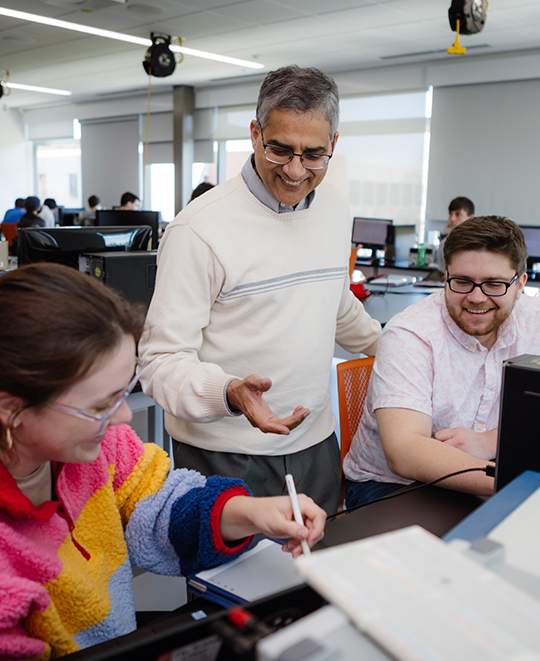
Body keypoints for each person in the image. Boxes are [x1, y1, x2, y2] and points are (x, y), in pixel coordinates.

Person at [0, 263, 326, 660]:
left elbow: (160, 503)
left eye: (125, 393)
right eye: (101, 405)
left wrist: (250, 512)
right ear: (10, 409)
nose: (123, 418)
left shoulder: (102, 447)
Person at [139, 65, 381, 515]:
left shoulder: (335, 208)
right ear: (254, 133)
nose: (295, 170)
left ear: (334, 145)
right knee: (230, 585)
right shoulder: (199, 228)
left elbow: (332, 301)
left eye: (313, 155)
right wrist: (229, 392)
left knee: (316, 578)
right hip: (223, 454)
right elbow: (159, 362)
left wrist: (400, 349)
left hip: (316, 445)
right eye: (280, 150)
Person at [344, 216, 540, 506]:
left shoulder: (534, 320)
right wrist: (513, 484)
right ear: (446, 275)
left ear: (520, 283)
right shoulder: (410, 334)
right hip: (396, 484)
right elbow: (405, 452)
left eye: (494, 284)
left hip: (491, 468)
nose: (476, 297)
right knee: (470, 547)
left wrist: (490, 441)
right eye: (462, 281)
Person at [437, 196, 475, 270]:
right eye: (450, 214)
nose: (452, 218)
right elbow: (444, 271)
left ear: (471, 218)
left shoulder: (479, 243)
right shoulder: (444, 243)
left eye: (458, 214)